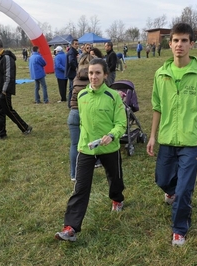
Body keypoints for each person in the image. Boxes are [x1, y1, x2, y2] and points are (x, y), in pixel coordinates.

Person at [146, 23, 197, 246]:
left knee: (185, 189)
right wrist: (152, 136)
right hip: (167, 138)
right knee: (162, 180)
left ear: (192, 43)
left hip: (192, 139)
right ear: (169, 44)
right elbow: (157, 106)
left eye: (184, 40)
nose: (180, 45)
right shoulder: (160, 74)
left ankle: (179, 229)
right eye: (176, 40)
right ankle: (172, 192)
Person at [55, 58, 127, 242]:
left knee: (115, 179)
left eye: (97, 73)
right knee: (80, 188)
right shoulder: (81, 96)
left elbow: (121, 123)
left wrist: (111, 135)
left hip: (109, 147)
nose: (93, 77)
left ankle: (117, 199)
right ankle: (71, 227)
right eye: (91, 73)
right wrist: (84, 141)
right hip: (86, 149)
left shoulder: (113, 96)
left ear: (105, 75)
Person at [0, 38, 32, 139]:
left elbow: (9, 75)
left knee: (9, 111)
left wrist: (4, 90)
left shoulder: (6, 57)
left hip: (3, 91)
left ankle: (25, 128)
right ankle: (1, 134)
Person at [67, 52, 95, 181]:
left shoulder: (75, 78)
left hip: (73, 113)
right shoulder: (94, 80)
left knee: (75, 145)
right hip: (87, 114)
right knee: (93, 139)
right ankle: (96, 162)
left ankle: (74, 174)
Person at [65, 39, 79, 108]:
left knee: (72, 89)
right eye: (76, 44)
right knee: (72, 89)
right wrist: (76, 68)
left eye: (77, 44)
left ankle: (70, 104)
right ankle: (70, 104)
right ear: (72, 44)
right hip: (71, 73)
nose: (77, 45)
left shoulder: (74, 51)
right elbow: (71, 61)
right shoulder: (71, 52)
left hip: (71, 72)